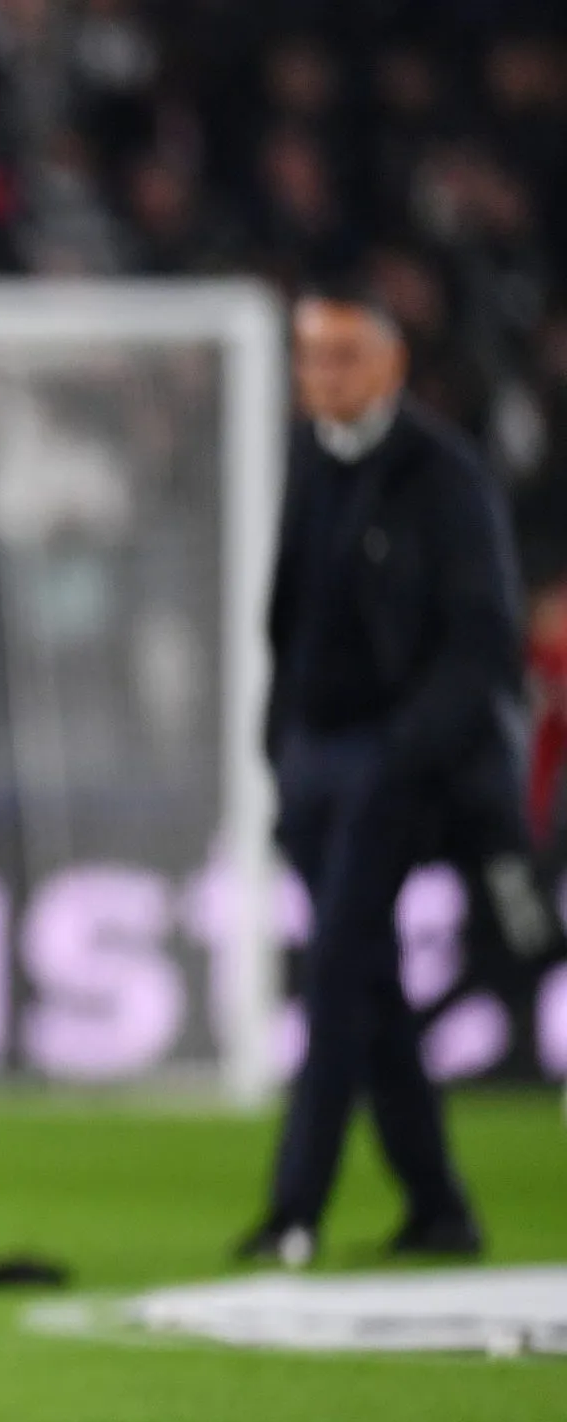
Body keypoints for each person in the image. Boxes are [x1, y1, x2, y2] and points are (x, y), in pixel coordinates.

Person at [235, 286, 529, 1268]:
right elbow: (289, 619)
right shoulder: (310, 458)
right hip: (314, 757)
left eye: (343, 357)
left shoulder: (443, 474)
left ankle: (292, 1212)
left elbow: (484, 643)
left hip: (392, 764)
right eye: (309, 356)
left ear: (392, 365)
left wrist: (404, 757)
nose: (322, 376)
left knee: (332, 974)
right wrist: (276, 744)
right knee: (364, 979)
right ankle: (438, 1206)